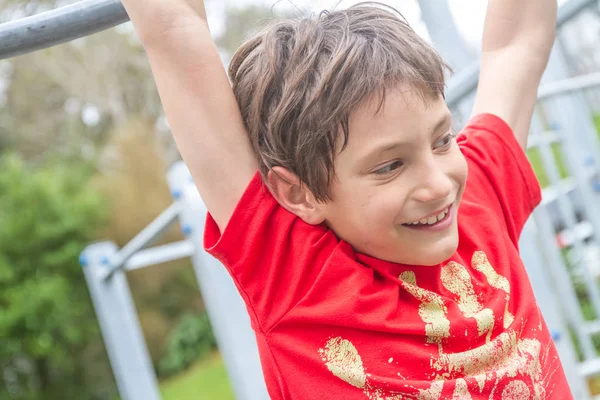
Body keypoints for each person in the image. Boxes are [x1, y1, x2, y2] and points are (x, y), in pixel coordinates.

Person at [120, 0, 570, 398]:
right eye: (389, 166)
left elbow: (517, 44)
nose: (438, 185)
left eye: (442, 140)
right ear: (298, 193)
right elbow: (173, 29)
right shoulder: (294, 276)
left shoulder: (480, 203)